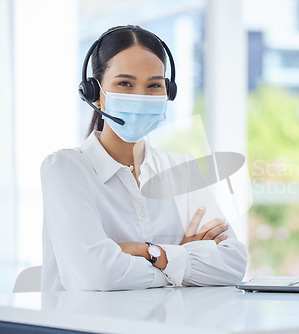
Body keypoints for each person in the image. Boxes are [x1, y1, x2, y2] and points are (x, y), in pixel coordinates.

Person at [40, 25, 247, 291]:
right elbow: (98, 276)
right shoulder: (66, 170)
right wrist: (176, 260)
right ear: (94, 93)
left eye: (154, 85)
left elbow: (233, 265)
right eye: (125, 83)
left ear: (167, 94)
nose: (140, 96)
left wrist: (153, 253)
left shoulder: (182, 168)